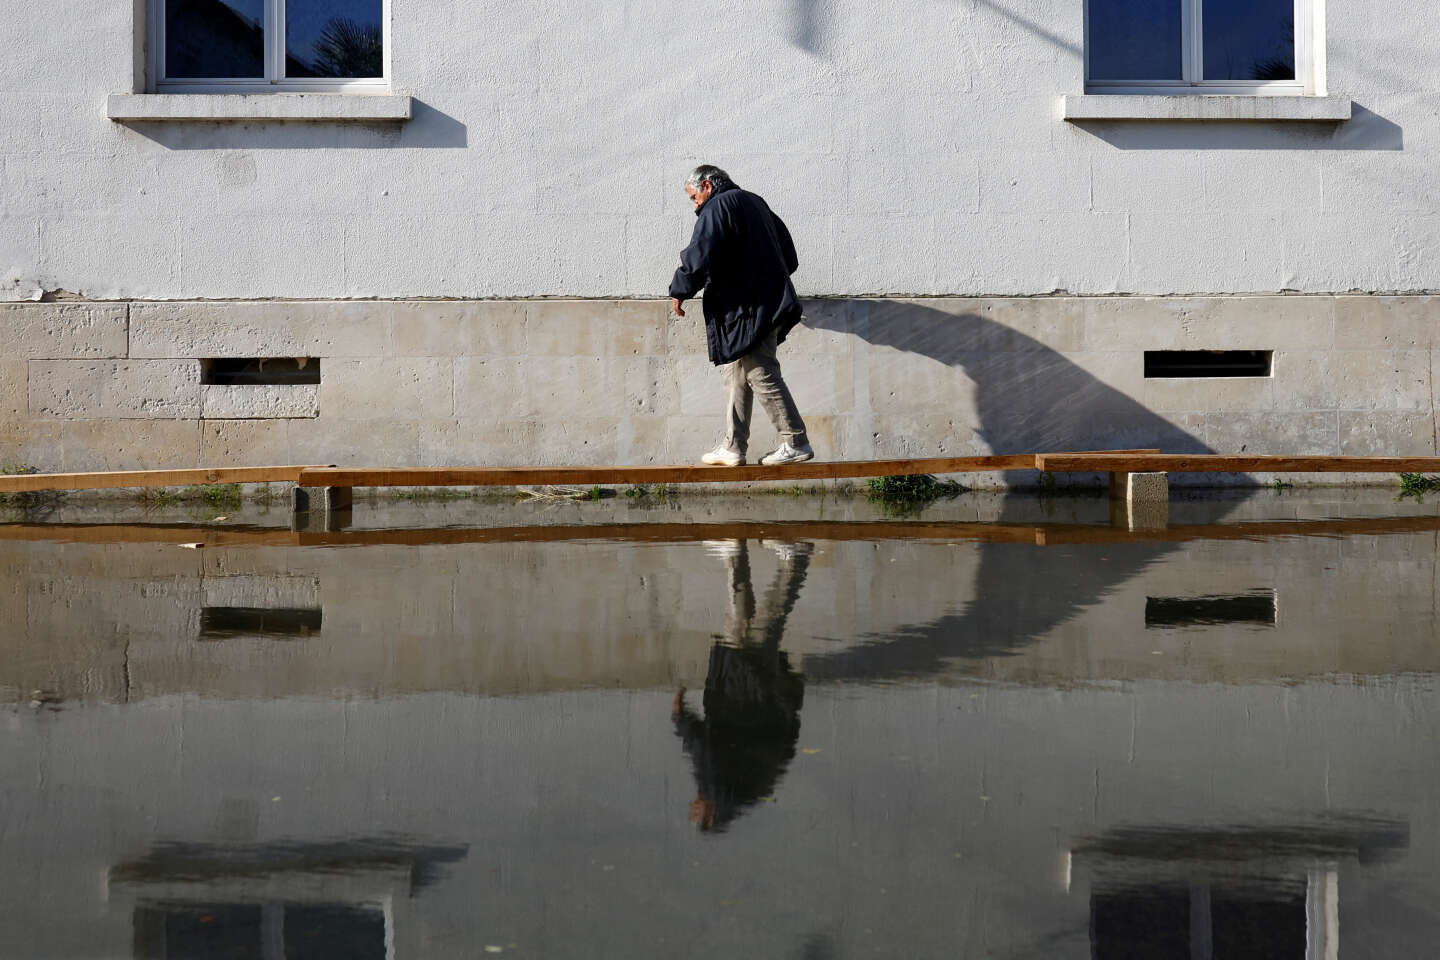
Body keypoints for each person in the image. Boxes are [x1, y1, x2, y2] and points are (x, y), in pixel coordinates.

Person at [669, 165, 815, 467]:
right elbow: (788, 254)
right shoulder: (755, 202)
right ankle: (733, 446)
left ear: (707, 186)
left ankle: (795, 440)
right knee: (736, 372)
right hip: (763, 303)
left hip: (749, 308)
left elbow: (700, 252)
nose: (695, 204)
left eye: (694, 197)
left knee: (760, 370)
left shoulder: (718, 206)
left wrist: (681, 288)